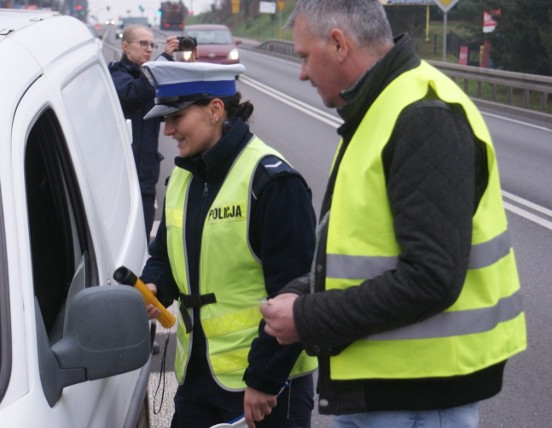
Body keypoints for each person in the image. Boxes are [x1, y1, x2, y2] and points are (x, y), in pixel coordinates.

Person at [260, 1, 528, 427]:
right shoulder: (381, 107)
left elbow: (431, 277)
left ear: (338, 43)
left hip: (421, 395)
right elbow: (370, 248)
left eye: (305, 57)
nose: (302, 73)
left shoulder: (422, 116)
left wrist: (307, 318)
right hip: (391, 391)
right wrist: (304, 291)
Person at [139, 61, 318, 428]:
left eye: (176, 117)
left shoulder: (272, 182)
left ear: (215, 110)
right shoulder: (182, 178)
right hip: (198, 380)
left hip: (267, 390)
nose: (168, 130)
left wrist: (263, 380)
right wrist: (155, 284)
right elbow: (166, 253)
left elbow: (295, 293)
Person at [109, 25, 184, 242]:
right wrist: (164, 59)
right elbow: (135, 93)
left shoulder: (148, 77)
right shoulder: (116, 75)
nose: (149, 49)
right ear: (125, 46)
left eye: (152, 45)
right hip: (123, 176)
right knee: (122, 239)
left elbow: (171, 107)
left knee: (143, 235)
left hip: (146, 175)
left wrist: (184, 68)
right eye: (143, 44)